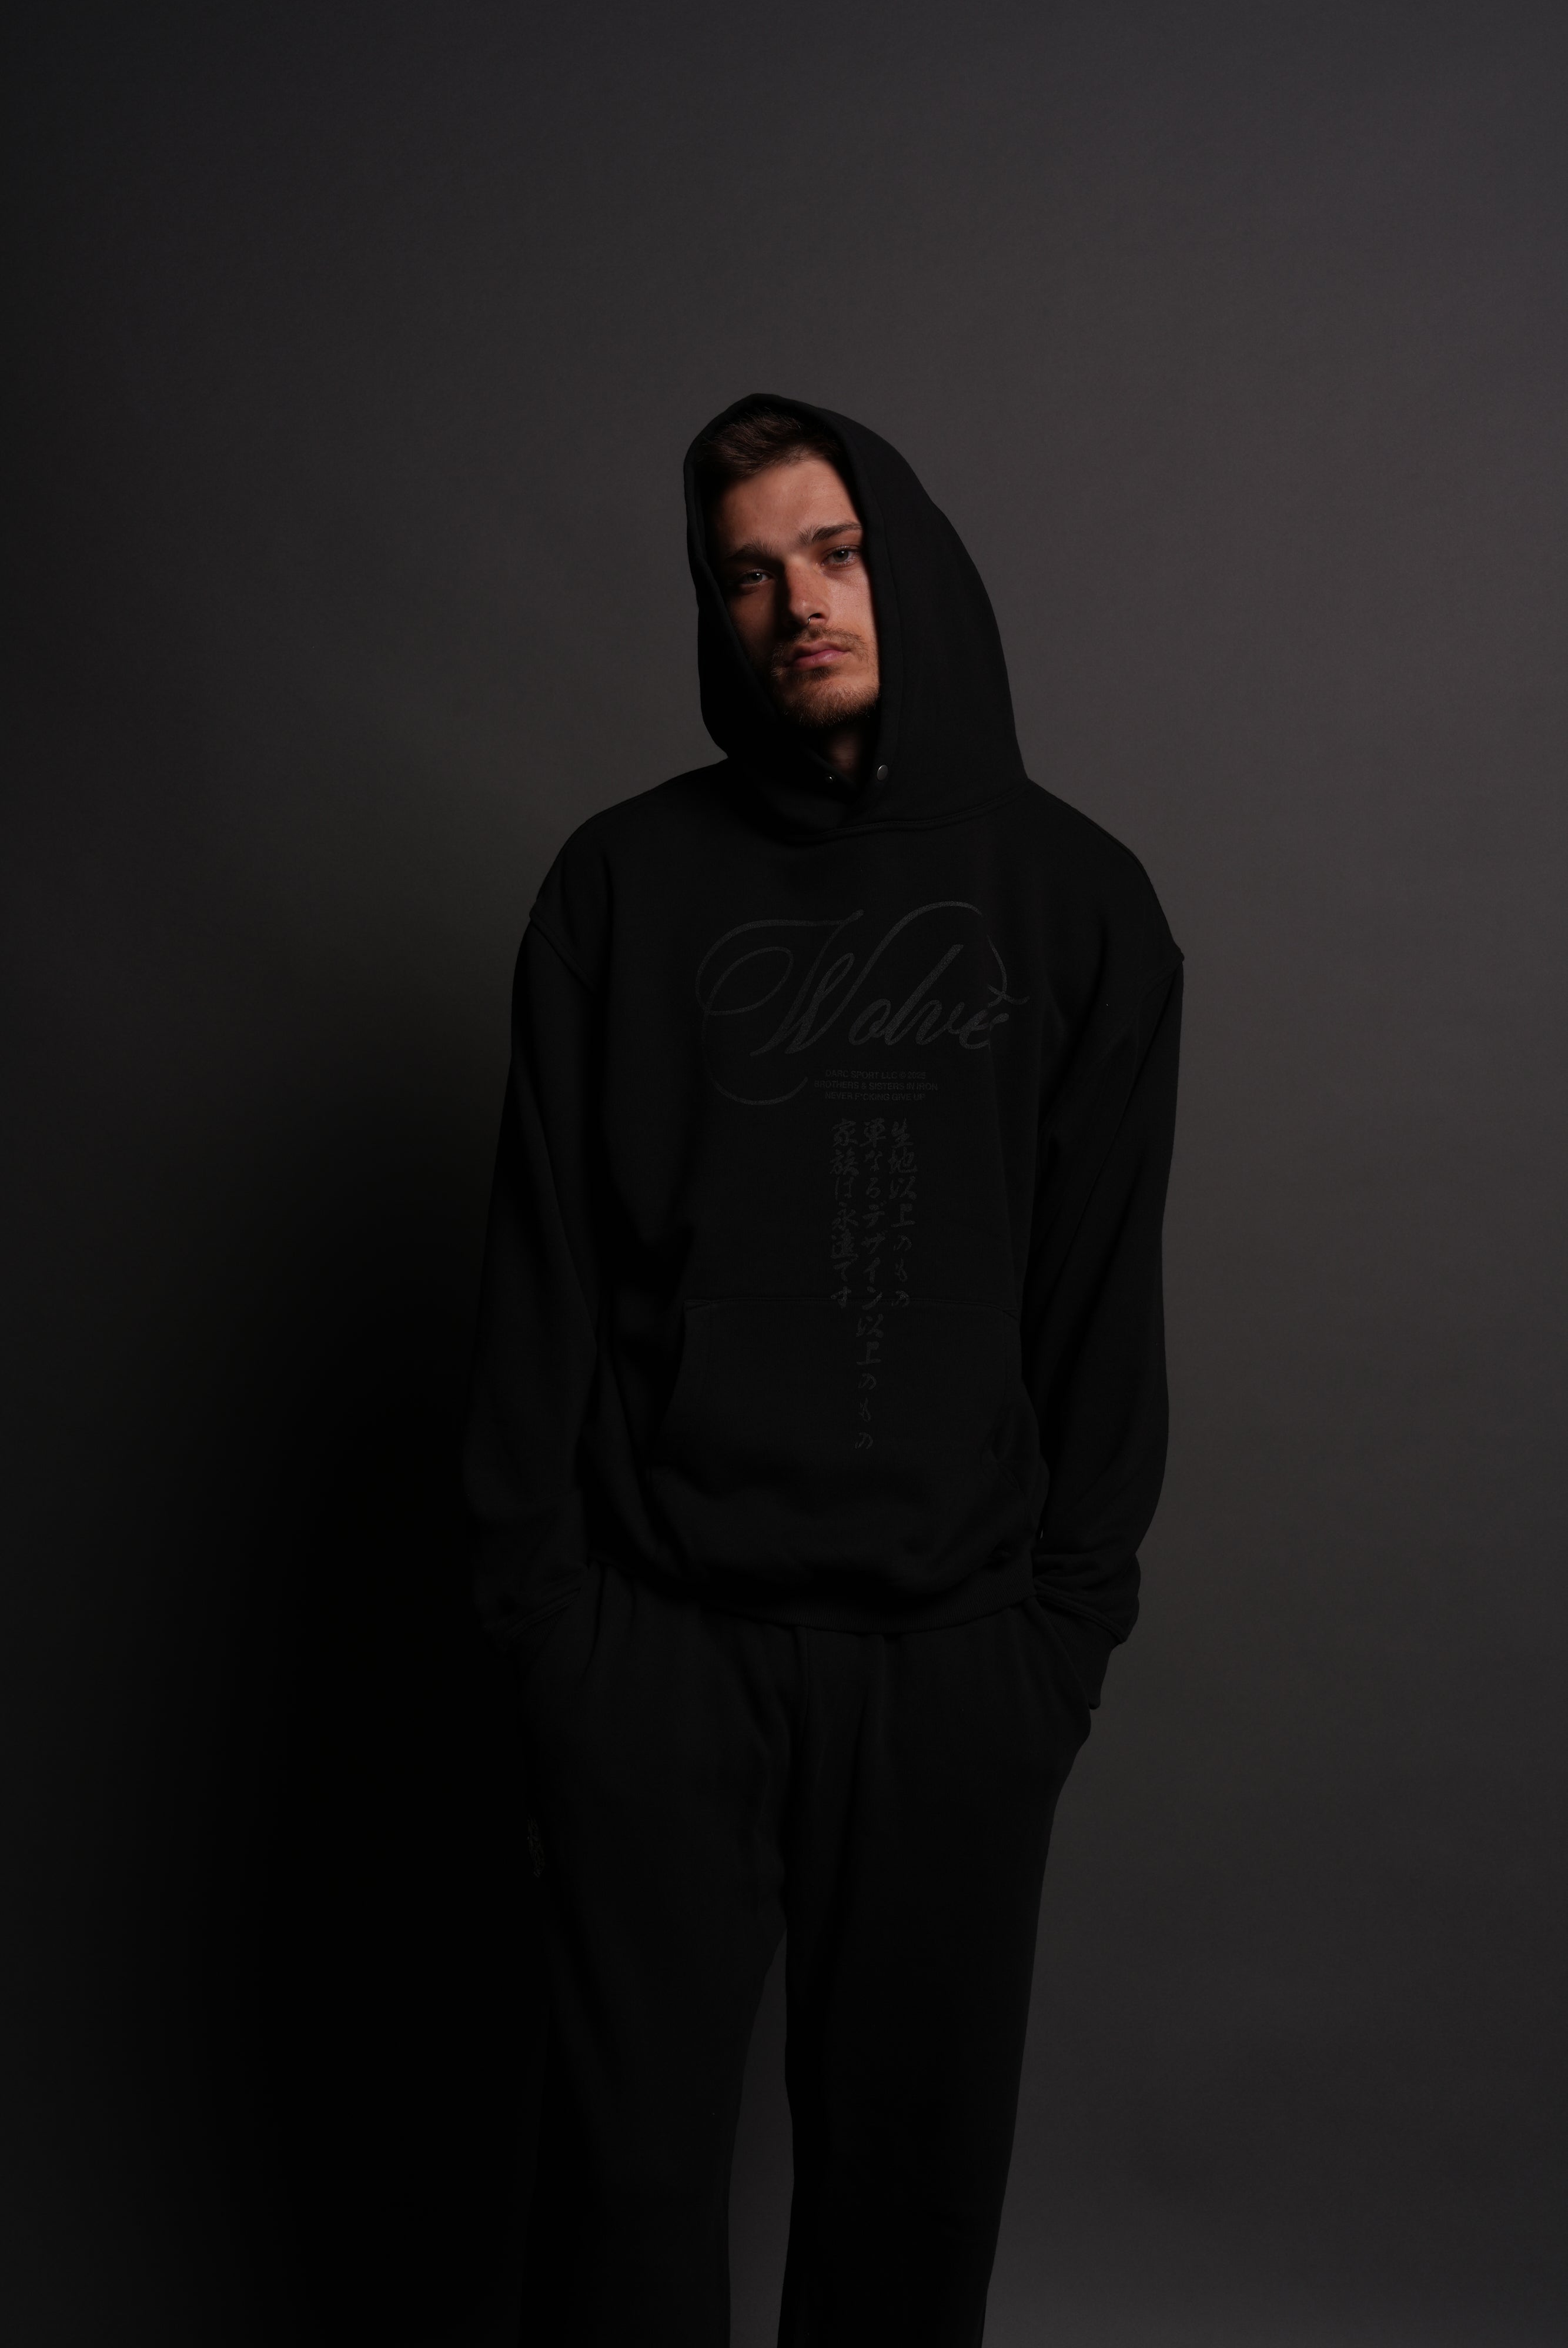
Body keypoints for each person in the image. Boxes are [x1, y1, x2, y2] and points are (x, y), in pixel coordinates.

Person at [463, 395, 1183, 2346]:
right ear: (713, 612)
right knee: (619, 2208)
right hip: (658, 1649)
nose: (798, 604)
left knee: (904, 2219)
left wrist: (1058, 1640)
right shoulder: (621, 888)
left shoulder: (1081, 903)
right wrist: (551, 1633)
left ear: (910, 561)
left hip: (952, 1664)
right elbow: (539, 1281)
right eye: (749, 574)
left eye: (835, 552)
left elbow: (1099, 1304)